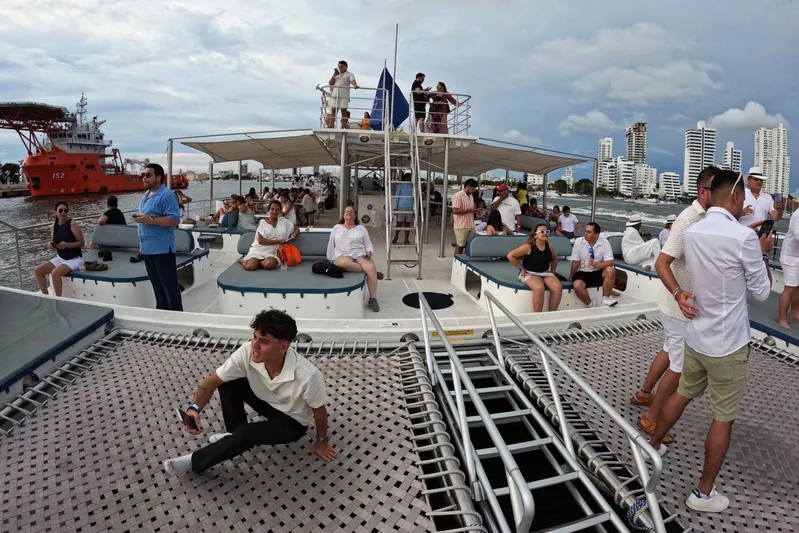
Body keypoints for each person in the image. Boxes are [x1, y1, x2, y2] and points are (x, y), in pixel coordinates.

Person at [649, 169, 772, 513]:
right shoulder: (743, 238)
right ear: (734, 196)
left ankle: (653, 445)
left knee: (684, 392)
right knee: (723, 417)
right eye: (744, 196)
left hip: (696, 334)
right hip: (728, 343)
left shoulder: (693, 230)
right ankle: (703, 493)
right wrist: (761, 254)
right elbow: (761, 292)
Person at [163, 309, 335, 476]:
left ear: (284, 347)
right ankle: (233, 433)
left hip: (292, 421)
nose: (255, 345)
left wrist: (321, 441)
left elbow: (319, 413)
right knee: (227, 381)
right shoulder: (247, 351)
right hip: (266, 401)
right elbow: (212, 381)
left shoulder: (307, 375)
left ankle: (193, 462)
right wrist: (194, 409)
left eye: (264, 342)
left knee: (248, 434)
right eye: (254, 337)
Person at [630, 166, 719, 443]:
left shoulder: (708, 218)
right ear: (704, 192)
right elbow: (662, 262)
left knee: (669, 351)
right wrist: (680, 293)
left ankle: (644, 394)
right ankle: (651, 420)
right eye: (722, 191)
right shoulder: (689, 219)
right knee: (680, 368)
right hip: (679, 306)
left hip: (678, 305)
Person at [133, 164, 183, 311]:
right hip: (148, 249)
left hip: (162, 249)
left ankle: (177, 317)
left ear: (158, 177)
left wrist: (151, 220)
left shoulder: (167, 195)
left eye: (148, 175)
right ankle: (162, 315)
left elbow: (174, 219)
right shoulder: (146, 195)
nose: (144, 178)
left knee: (169, 288)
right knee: (158, 288)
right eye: (143, 175)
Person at [327, 206, 381, 312]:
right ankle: (371, 272)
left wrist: (369, 253)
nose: (349, 213)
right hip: (342, 255)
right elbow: (330, 245)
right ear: (343, 215)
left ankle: (373, 298)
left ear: (355, 216)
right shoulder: (337, 228)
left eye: (352, 212)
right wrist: (330, 258)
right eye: (347, 211)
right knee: (344, 264)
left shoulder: (361, 229)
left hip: (360, 254)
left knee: (370, 266)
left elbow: (368, 244)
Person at [34, 201, 85, 297]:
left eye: (65, 210)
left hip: (74, 259)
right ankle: (46, 297)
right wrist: (50, 244)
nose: (63, 212)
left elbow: (82, 243)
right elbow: (54, 243)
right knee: (38, 270)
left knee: (55, 273)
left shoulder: (72, 224)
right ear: (56, 212)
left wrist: (67, 245)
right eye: (60, 210)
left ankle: (58, 300)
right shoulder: (54, 226)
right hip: (61, 258)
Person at [507, 224, 563, 312]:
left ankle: (552, 314)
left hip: (545, 272)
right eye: (542, 232)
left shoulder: (549, 246)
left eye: (546, 231)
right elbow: (510, 256)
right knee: (539, 288)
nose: (545, 233)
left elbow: (554, 259)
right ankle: (538, 315)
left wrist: (553, 272)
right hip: (529, 272)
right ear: (535, 235)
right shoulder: (528, 247)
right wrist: (521, 268)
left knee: (558, 288)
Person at [239, 201, 299, 271]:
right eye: (272, 209)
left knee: (269, 265)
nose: (274, 211)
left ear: (280, 211)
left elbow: (296, 229)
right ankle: (243, 261)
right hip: (260, 249)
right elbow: (261, 241)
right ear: (269, 210)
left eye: (277, 210)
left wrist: (294, 234)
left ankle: (258, 263)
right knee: (250, 267)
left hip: (273, 252)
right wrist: (278, 241)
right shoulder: (263, 223)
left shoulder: (284, 221)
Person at [569, 222, 617, 307]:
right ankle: (591, 304)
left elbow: (610, 261)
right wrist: (571, 277)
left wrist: (598, 265)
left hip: (598, 271)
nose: (585, 234)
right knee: (577, 286)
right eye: (585, 231)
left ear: (596, 235)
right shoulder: (578, 242)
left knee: (610, 270)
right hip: (583, 272)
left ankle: (605, 299)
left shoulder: (604, 242)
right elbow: (575, 262)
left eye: (589, 232)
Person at [779, 206, 799, 328]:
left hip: (797, 255)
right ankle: (782, 318)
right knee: (790, 288)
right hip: (790, 257)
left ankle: (795, 312)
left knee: (797, 287)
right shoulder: (798, 215)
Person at [452, 178, 481, 255]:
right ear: (468, 187)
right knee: (460, 246)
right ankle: (457, 261)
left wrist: (475, 211)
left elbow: (470, 209)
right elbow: (455, 211)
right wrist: (470, 210)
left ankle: (464, 261)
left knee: (469, 245)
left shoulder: (471, 196)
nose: (474, 190)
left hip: (470, 225)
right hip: (461, 226)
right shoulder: (457, 196)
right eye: (473, 188)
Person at [325, 60, 359, 128]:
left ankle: (343, 126)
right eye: (339, 66)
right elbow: (330, 83)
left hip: (344, 96)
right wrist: (334, 74)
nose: (340, 68)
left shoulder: (349, 74)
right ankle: (331, 125)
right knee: (333, 111)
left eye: (341, 66)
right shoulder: (337, 76)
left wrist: (355, 85)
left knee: (343, 111)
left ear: (345, 66)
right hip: (335, 95)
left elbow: (352, 81)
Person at [392, 172, 414, 245]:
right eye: (407, 177)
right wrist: (395, 207)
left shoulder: (413, 186)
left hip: (410, 207)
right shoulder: (400, 185)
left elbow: (415, 198)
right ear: (404, 178)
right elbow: (397, 196)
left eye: (409, 177)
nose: (408, 179)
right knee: (399, 223)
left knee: (407, 224)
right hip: (401, 206)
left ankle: (406, 239)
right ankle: (396, 236)